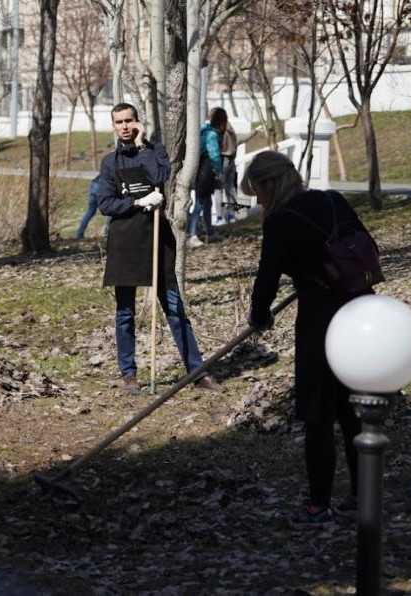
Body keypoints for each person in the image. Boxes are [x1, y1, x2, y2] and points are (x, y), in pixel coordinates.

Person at [243, 151, 374, 527]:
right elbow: (364, 245)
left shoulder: (281, 221)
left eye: (256, 189)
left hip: (322, 321)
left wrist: (259, 317)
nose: (256, 199)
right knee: (353, 409)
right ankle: (362, 495)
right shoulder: (333, 199)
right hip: (364, 314)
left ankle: (318, 506)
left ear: (269, 184)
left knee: (318, 414)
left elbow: (267, 278)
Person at [96, 102, 221, 395]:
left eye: (129, 121)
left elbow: (158, 178)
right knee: (125, 313)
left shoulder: (156, 152)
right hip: (125, 243)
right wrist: (136, 203)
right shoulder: (109, 163)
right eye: (119, 122)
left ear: (138, 123)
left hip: (156, 238)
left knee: (175, 309)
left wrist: (142, 146)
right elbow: (105, 203)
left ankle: (197, 371)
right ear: (113, 126)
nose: (125, 126)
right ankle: (129, 374)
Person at [188, 108, 228, 247]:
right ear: (221, 122)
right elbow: (214, 155)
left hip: (205, 171)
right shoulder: (211, 135)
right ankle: (191, 235)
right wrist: (219, 172)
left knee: (207, 202)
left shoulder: (206, 132)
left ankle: (209, 232)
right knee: (199, 203)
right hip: (206, 171)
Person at [76, 175, 110, 239]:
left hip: (94, 184)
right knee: (111, 211)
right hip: (102, 187)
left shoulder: (108, 166)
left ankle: (79, 235)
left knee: (90, 211)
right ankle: (107, 234)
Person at [219, 113, 239, 222]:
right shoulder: (231, 129)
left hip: (223, 160)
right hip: (232, 160)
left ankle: (221, 216)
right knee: (231, 188)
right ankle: (232, 215)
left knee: (220, 189)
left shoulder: (220, 130)